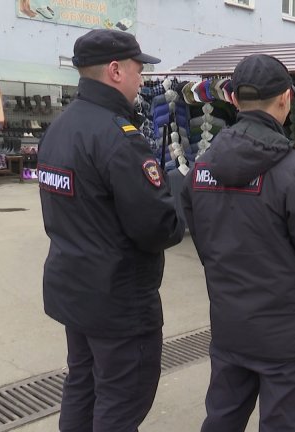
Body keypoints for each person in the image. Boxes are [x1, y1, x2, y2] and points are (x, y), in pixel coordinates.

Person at [180, 54, 295, 431]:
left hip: (231, 322)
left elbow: (203, 238)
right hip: (285, 332)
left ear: (235, 101)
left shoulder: (203, 166)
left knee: (222, 416)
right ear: (286, 99)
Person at [38, 29, 185, 431]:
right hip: (118, 301)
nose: (143, 78)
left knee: (82, 386)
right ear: (116, 70)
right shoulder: (119, 138)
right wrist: (181, 208)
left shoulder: (61, 128)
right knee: (121, 402)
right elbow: (155, 227)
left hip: (76, 289)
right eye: (140, 69)